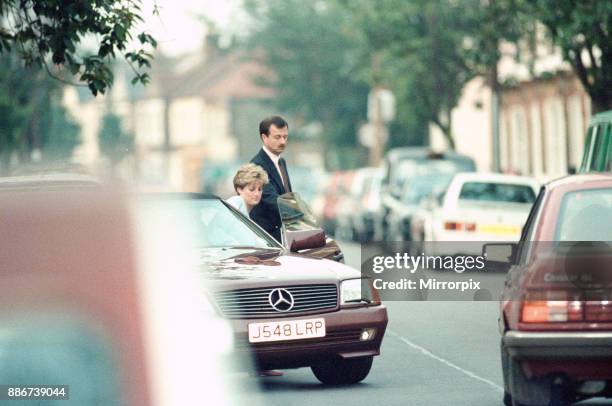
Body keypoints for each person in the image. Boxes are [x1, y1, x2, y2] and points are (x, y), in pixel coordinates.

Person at [250, 116, 292, 242]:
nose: (283, 141)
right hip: (266, 238)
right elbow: (272, 200)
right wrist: (299, 211)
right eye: (277, 137)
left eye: (285, 137)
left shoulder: (281, 162)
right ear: (264, 137)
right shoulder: (257, 165)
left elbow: (287, 195)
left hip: (283, 235)